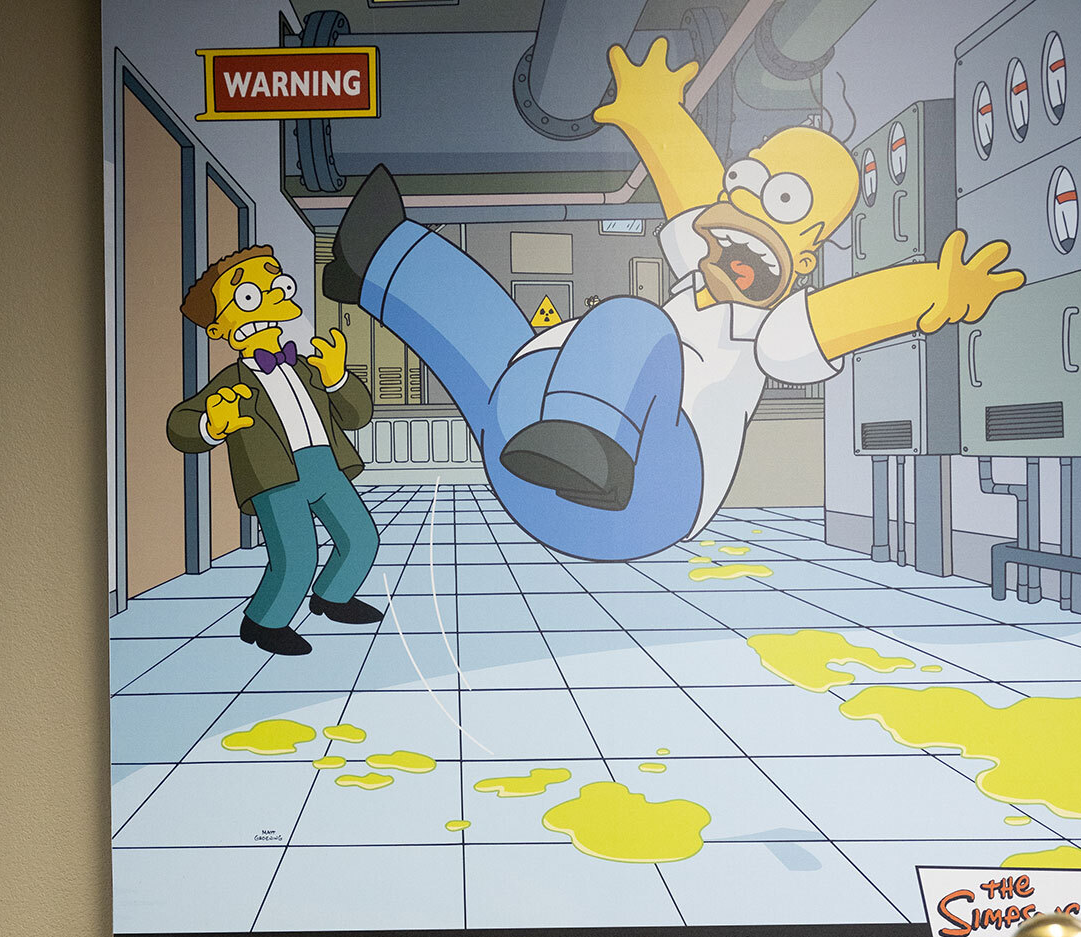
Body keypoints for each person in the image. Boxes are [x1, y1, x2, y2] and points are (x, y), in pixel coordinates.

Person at [323, 41, 1023, 561]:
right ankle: (377, 261)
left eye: (781, 203)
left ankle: (587, 439)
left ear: (806, 256)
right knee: (504, 349)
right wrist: (654, 112)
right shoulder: (700, 259)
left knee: (633, 322)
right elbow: (694, 197)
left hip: (643, 495)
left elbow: (842, 316)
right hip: (526, 460)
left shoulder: (774, 331)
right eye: (745, 187)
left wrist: (933, 290)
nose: (745, 212)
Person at [168, 244, 382, 655]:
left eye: (277, 286)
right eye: (250, 295)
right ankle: (264, 621)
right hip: (275, 476)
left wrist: (337, 378)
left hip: (326, 464)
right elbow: (179, 424)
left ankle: (333, 597)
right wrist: (211, 424)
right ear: (220, 328)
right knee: (297, 556)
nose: (273, 297)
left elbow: (357, 416)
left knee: (361, 537)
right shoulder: (232, 381)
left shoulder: (309, 367)